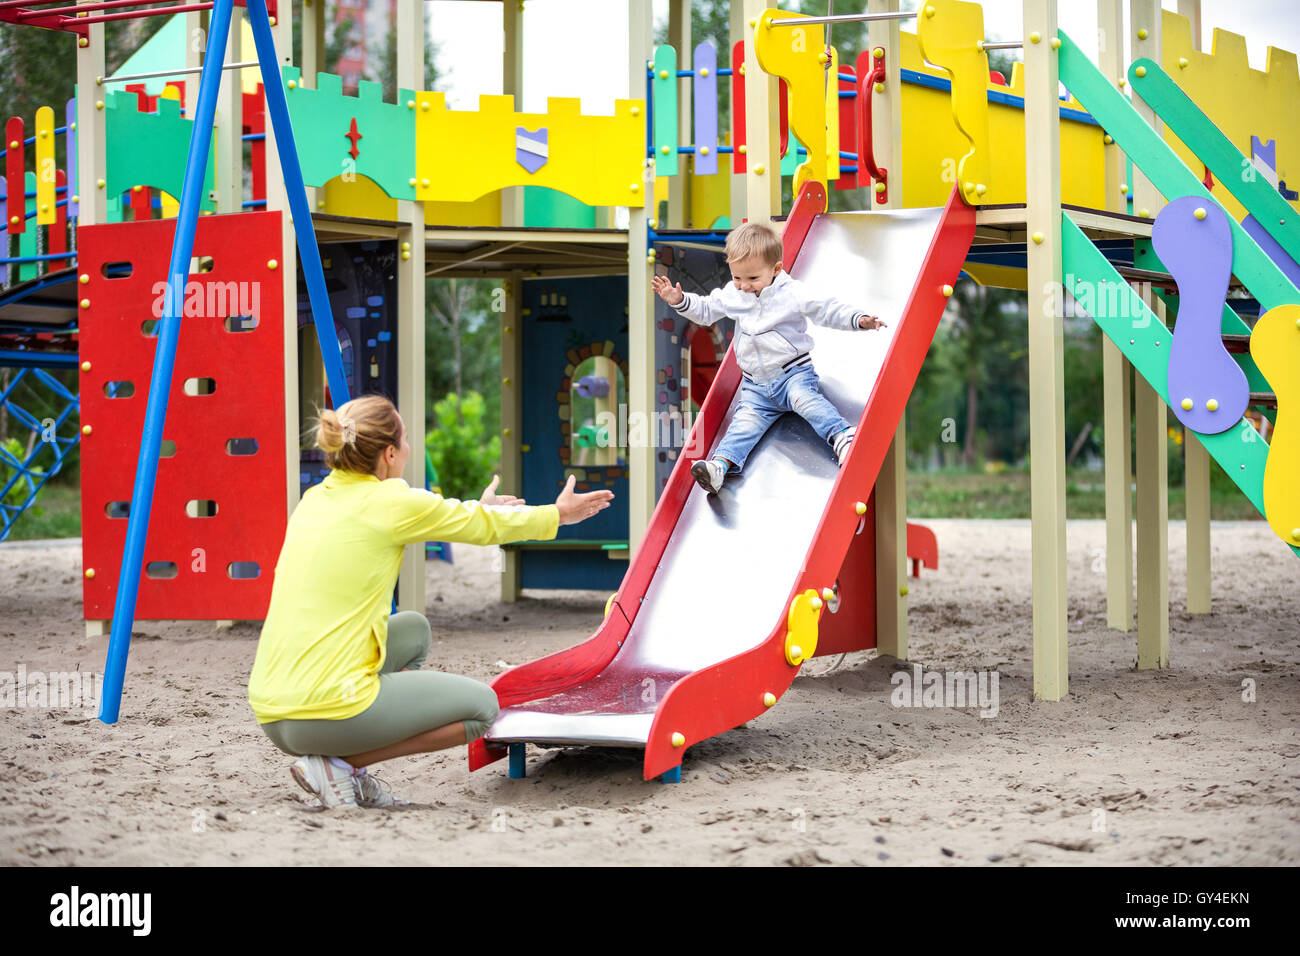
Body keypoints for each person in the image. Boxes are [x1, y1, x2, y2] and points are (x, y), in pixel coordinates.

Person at [247, 394, 614, 808]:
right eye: (404, 439)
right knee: (481, 709)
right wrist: (558, 514)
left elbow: (462, 518)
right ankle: (341, 765)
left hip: (272, 706)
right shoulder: (391, 501)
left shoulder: (315, 498)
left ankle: (339, 765)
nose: (408, 448)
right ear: (388, 454)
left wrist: (479, 509)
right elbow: (472, 525)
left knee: (413, 631)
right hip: (322, 709)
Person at [652, 221, 887, 494]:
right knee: (743, 425)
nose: (743, 285)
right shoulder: (735, 293)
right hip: (755, 387)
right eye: (737, 277)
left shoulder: (793, 293)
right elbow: (705, 310)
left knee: (807, 402)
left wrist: (858, 319)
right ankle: (719, 467)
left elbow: (826, 310)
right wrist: (679, 300)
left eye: (752, 279)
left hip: (792, 375)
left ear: (776, 269)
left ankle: (843, 437)